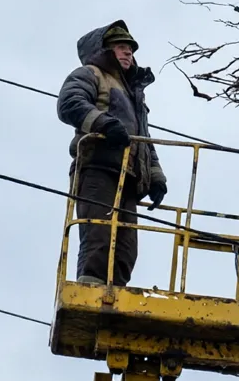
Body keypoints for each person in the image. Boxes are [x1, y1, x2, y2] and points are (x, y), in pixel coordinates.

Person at [56, 20, 168, 287]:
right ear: (105, 50)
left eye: (130, 48)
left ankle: (114, 293)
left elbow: (143, 140)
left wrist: (155, 176)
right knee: (100, 235)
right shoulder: (91, 74)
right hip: (99, 169)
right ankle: (91, 289)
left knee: (126, 247)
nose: (128, 52)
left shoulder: (134, 96)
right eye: (121, 47)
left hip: (128, 178)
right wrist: (103, 123)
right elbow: (69, 103)